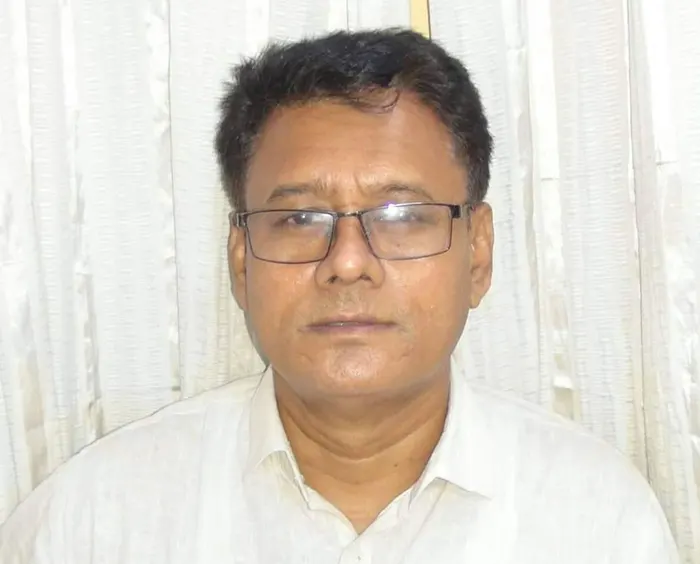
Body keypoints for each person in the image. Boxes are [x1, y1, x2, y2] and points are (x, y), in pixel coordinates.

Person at [0, 29, 680, 564]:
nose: (348, 263)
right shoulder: (92, 522)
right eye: (298, 218)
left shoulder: (599, 521)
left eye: (402, 215)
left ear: (477, 252)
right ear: (240, 261)